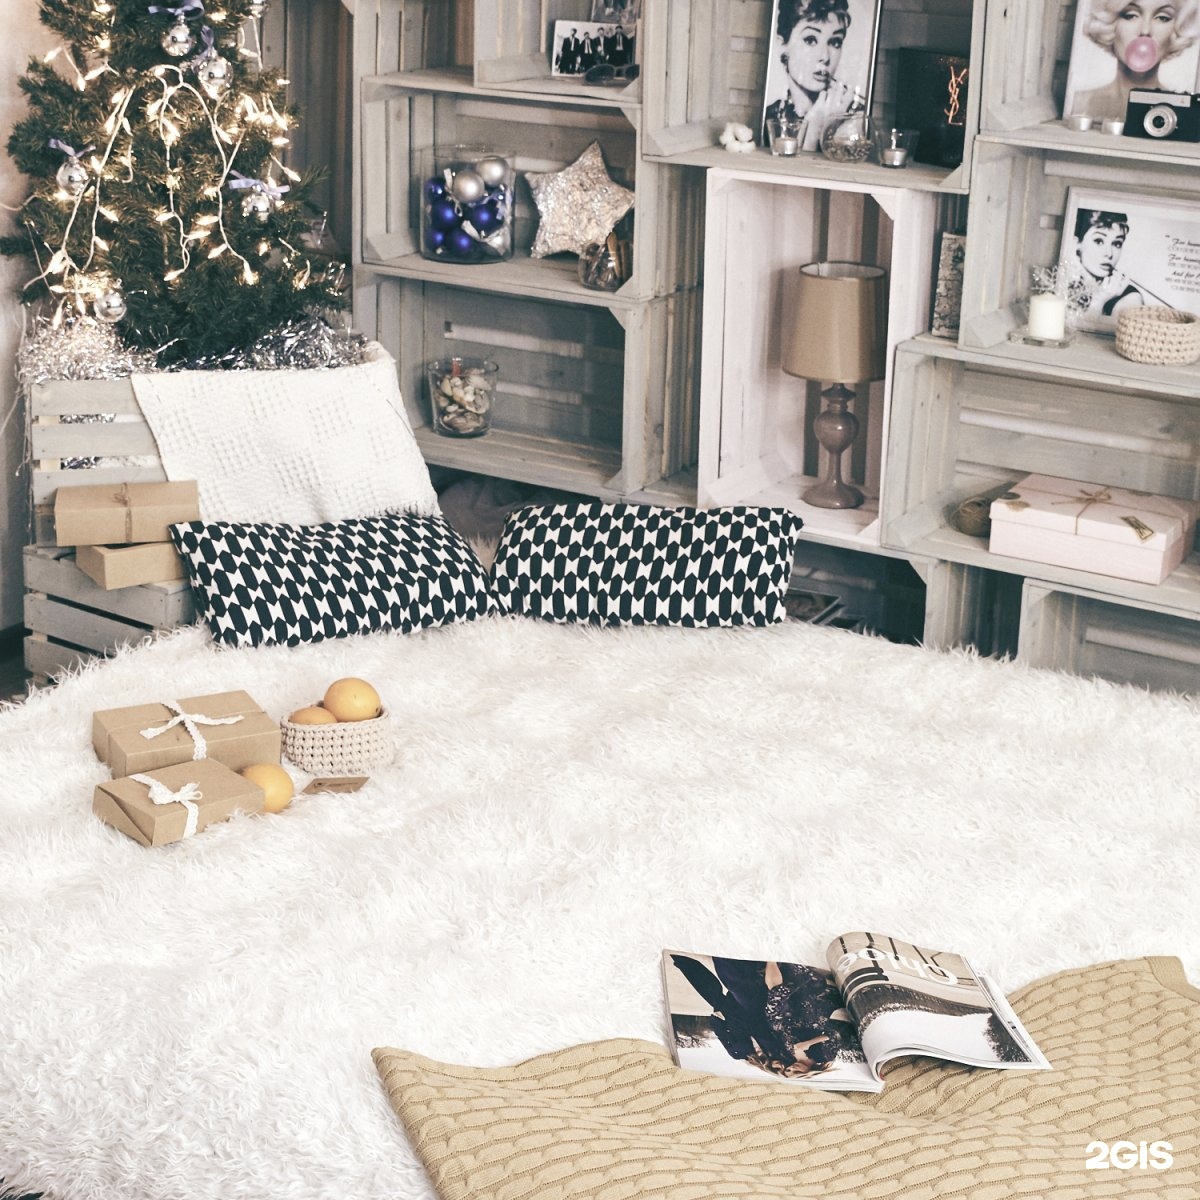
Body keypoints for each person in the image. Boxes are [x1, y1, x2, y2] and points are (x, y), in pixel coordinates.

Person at [1069, 0, 1200, 120]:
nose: (1145, 30)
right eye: (1131, 16)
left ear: (1177, 29)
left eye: (1162, 18)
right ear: (1110, 23)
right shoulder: (1077, 104)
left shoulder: (1184, 111)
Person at [762, 0, 862, 151]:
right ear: (782, 45)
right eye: (810, 40)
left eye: (835, 42)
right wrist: (815, 128)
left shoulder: (854, 117)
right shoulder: (769, 118)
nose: (824, 56)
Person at [1071, 208, 1148, 319]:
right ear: (1076, 244)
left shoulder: (1130, 298)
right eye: (1099, 241)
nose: (1109, 253)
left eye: (1116, 244)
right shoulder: (1063, 285)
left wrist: (1100, 301)